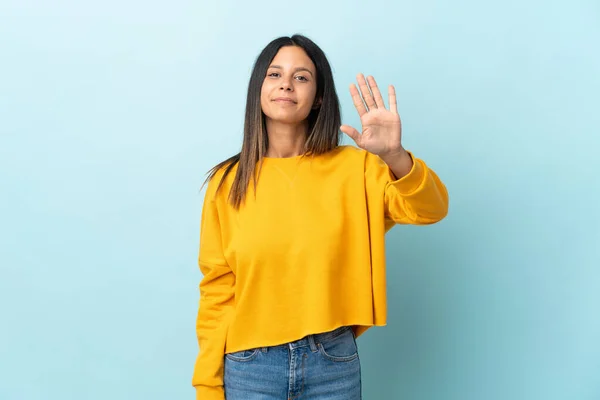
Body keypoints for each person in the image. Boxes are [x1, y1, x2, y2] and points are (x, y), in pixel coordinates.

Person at [192, 34, 449, 400]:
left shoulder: (356, 169)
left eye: (301, 77)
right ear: (258, 89)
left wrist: (394, 155)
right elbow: (217, 289)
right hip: (249, 367)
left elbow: (431, 209)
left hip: (332, 363)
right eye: (274, 73)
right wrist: (207, 385)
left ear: (319, 98)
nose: (286, 83)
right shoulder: (227, 182)